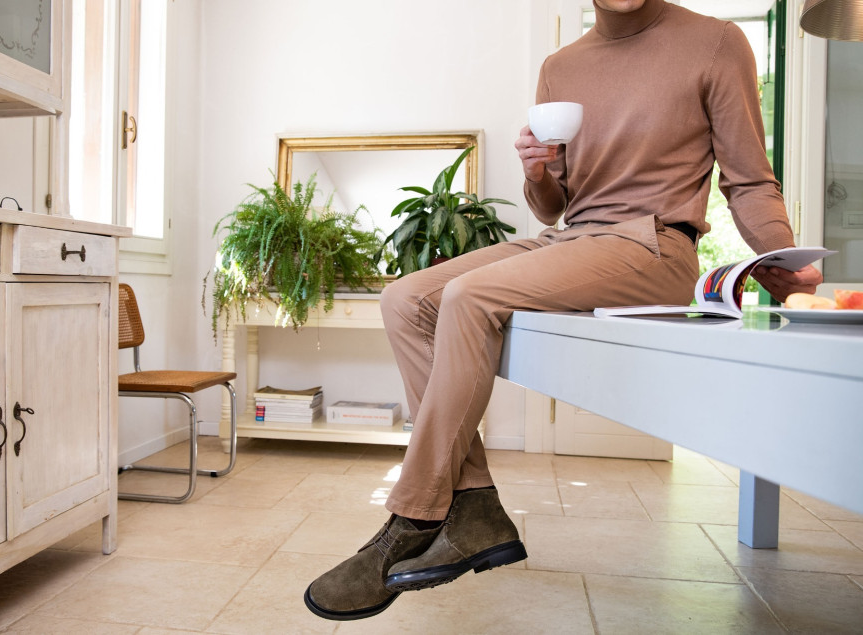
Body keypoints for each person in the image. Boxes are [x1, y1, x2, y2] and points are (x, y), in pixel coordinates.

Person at [304, 0, 823, 621]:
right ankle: (475, 507)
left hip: (654, 246)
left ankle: (413, 514)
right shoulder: (560, 66)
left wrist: (788, 267)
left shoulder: (715, 42)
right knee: (406, 298)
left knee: (471, 296)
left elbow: (749, 178)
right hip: (571, 237)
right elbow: (553, 209)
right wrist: (538, 173)